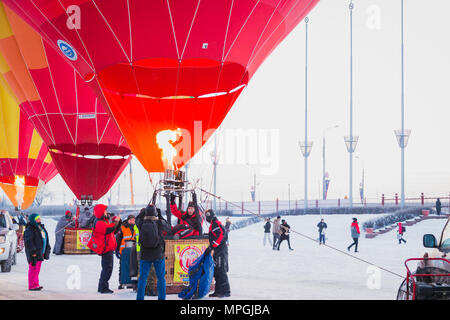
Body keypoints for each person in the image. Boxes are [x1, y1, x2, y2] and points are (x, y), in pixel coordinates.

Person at [136, 205, 170, 300]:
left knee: (142, 278)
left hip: (144, 255)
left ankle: (140, 298)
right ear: (155, 213)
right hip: (158, 254)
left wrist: (143, 212)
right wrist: (160, 214)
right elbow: (168, 227)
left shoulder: (141, 223)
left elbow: (137, 219)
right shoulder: (159, 223)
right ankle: (162, 298)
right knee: (161, 278)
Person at [87, 204, 121, 294]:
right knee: (107, 268)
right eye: (105, 211)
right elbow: (109, 229)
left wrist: (117, 222)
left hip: (108, 248)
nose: (107, 212)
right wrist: (116, 222)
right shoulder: (99, 222)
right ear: (101, 212)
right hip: (106, 249)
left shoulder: (102, 221)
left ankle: (101, 287)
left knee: (106, 268)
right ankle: (103, 288)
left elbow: (113, 230)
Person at [204, 209, 230, 298]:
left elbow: (221, 235)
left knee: (221, 269)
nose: (206, 217)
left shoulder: (215, 223)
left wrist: (212, 246)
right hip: (217, 250)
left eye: (207, 215)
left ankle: (226, 291)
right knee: (217, 271)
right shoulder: (214, 224)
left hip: (220, 250)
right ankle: (218, 290)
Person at [23, 214, 51, 291]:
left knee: (37, 269)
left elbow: (45, 238)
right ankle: (32, 285)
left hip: (40, 251)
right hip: (34, 252)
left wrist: (47, 248)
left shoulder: (40, 227)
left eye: (39, 218)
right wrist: (33, 251)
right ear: (33, 220)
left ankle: (36, 284)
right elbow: (28, 242)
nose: (39, 219)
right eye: (37, 218)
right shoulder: (30, 229)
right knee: (33, 267)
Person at [116, 215, 139, 290]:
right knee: (123, 267)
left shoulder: (137, 227)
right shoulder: (123, 227)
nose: (132, 221)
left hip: (134, 250)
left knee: (132, 267)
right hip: (124, 250)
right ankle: (121, 282)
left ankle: (131, 283)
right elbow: (118, 239)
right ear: (128, 220)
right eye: (130, 220)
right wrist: (117, 250)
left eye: (133, 220)